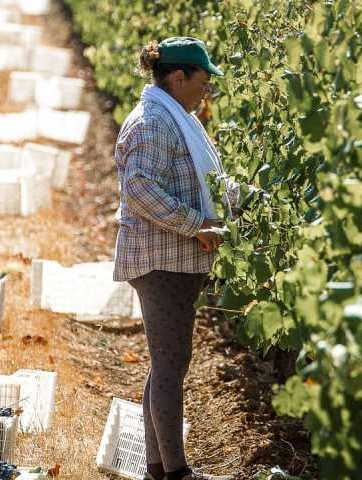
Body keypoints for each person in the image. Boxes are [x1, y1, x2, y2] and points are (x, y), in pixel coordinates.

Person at [113, 37, 239, 480]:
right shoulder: (154, 122)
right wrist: (196, 225)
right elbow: (139, 189)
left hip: (170, 258)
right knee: (170, 364)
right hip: (160, 259)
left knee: (166, 362)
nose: (207, 91)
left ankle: (158, 469)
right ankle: (177, 473)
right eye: (203, 82)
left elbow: (201, 180)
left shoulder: (175, 119)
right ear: (178, 77)